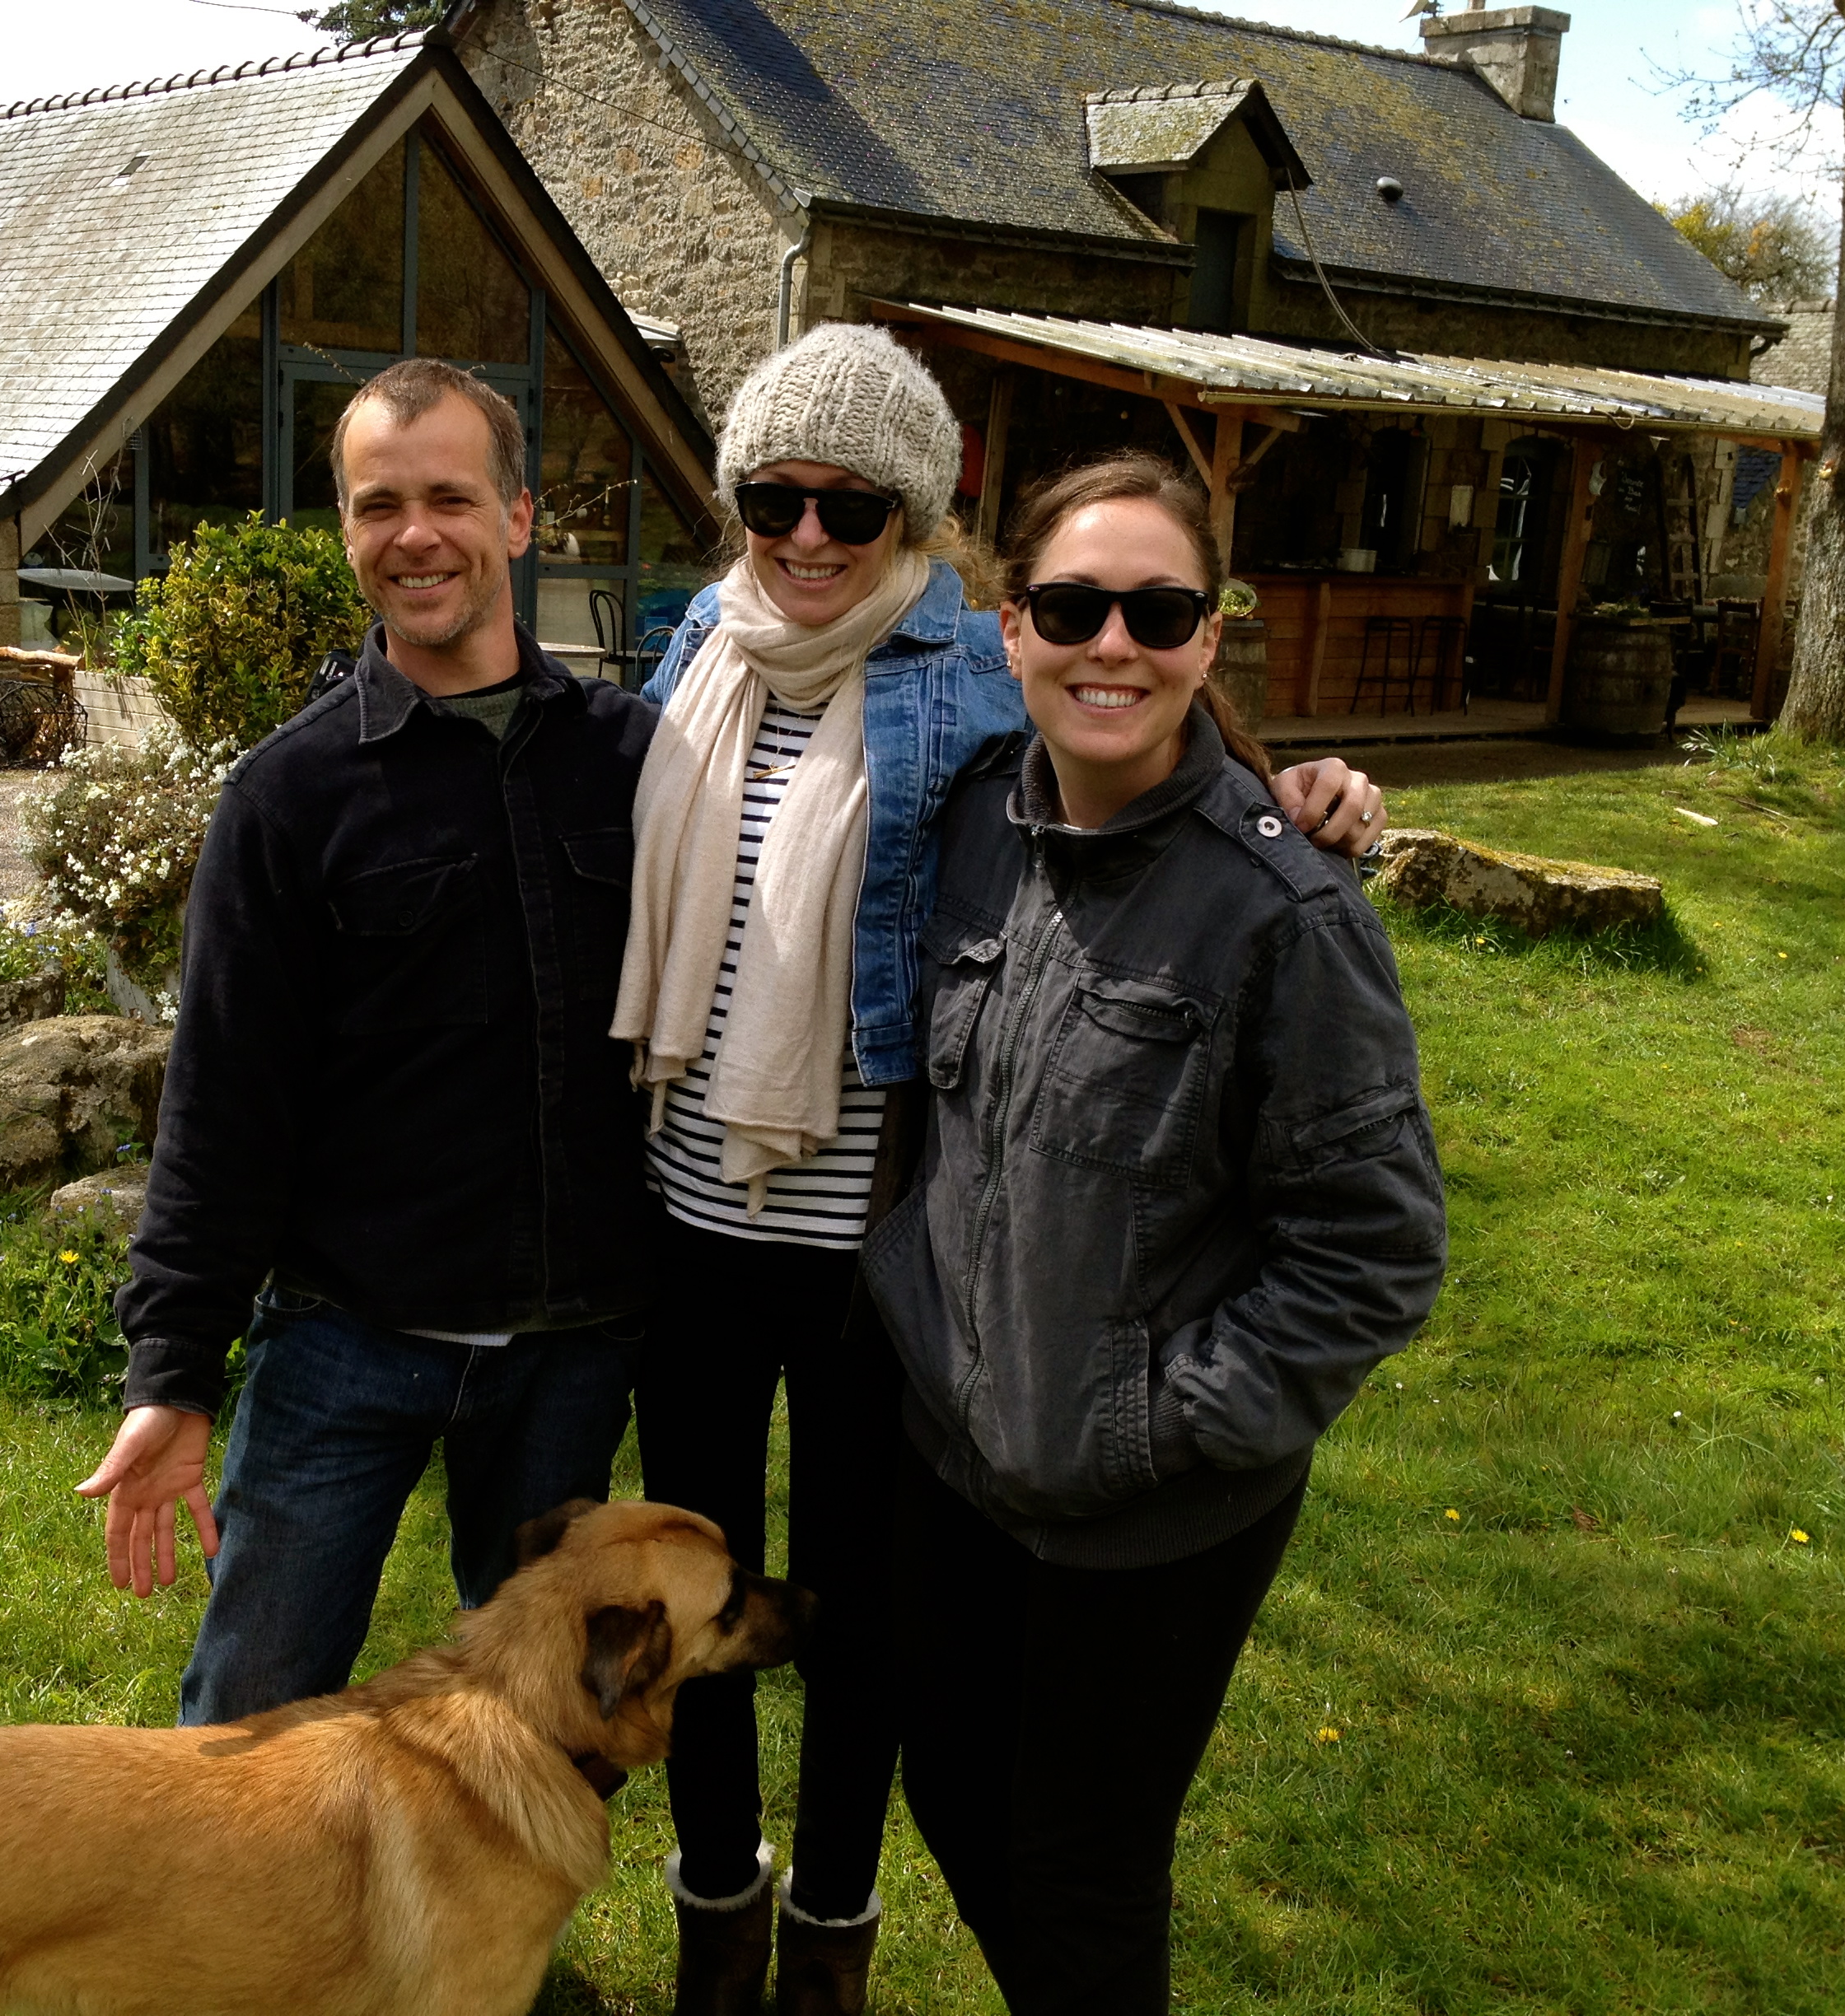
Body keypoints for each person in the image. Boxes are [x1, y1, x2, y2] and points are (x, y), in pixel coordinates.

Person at [619, 327, 1391, 2016]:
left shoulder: (976, 671)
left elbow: (1130, 730)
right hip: (688, 1223)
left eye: (852, 505)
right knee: (694, 1598)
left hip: (873, 1252)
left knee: (859, 1628)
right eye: (773, 499)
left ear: (916, 516)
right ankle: (715, 1905)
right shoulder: (697, 646)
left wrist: (1300, 799)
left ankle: (828, 1940)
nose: (808, 535)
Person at [862, 450, 1450, 2015]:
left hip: (1149, 1521)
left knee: (1081, 1872)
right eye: (1070, 607)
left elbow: (1375, 1251)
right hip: (957, 1465)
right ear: (1010, 627)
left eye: (1157, 611)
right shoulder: (977, 823)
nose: (1110, 643)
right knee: (955, 1795)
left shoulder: (1286, 917)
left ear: (1207, 636)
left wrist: (1162, 1419)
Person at [76, 358, 655, 1723]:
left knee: (541, 1731)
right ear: (345, 527)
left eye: (449, 497)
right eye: (377, 504)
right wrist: (173, 1370)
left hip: (570, 1348)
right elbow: (222, 1104)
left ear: (518, 517)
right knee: (250, 1724)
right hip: (348, 1337)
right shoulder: (289, 796)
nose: (415, 535)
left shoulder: (635, 761)